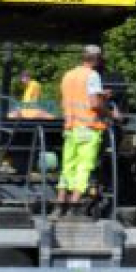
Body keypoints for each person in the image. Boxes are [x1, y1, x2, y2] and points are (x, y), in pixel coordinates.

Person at [56, 45, 110, 216]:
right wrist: (109, 111)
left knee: (67, 166)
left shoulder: (68, 75)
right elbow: (94, 103)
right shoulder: (92, 75)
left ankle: (60, 204)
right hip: (87, 128)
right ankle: (74, 205)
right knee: (84, 167)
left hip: (70, 127)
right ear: (96, 59)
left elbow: (74, 99)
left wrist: (101, 94)